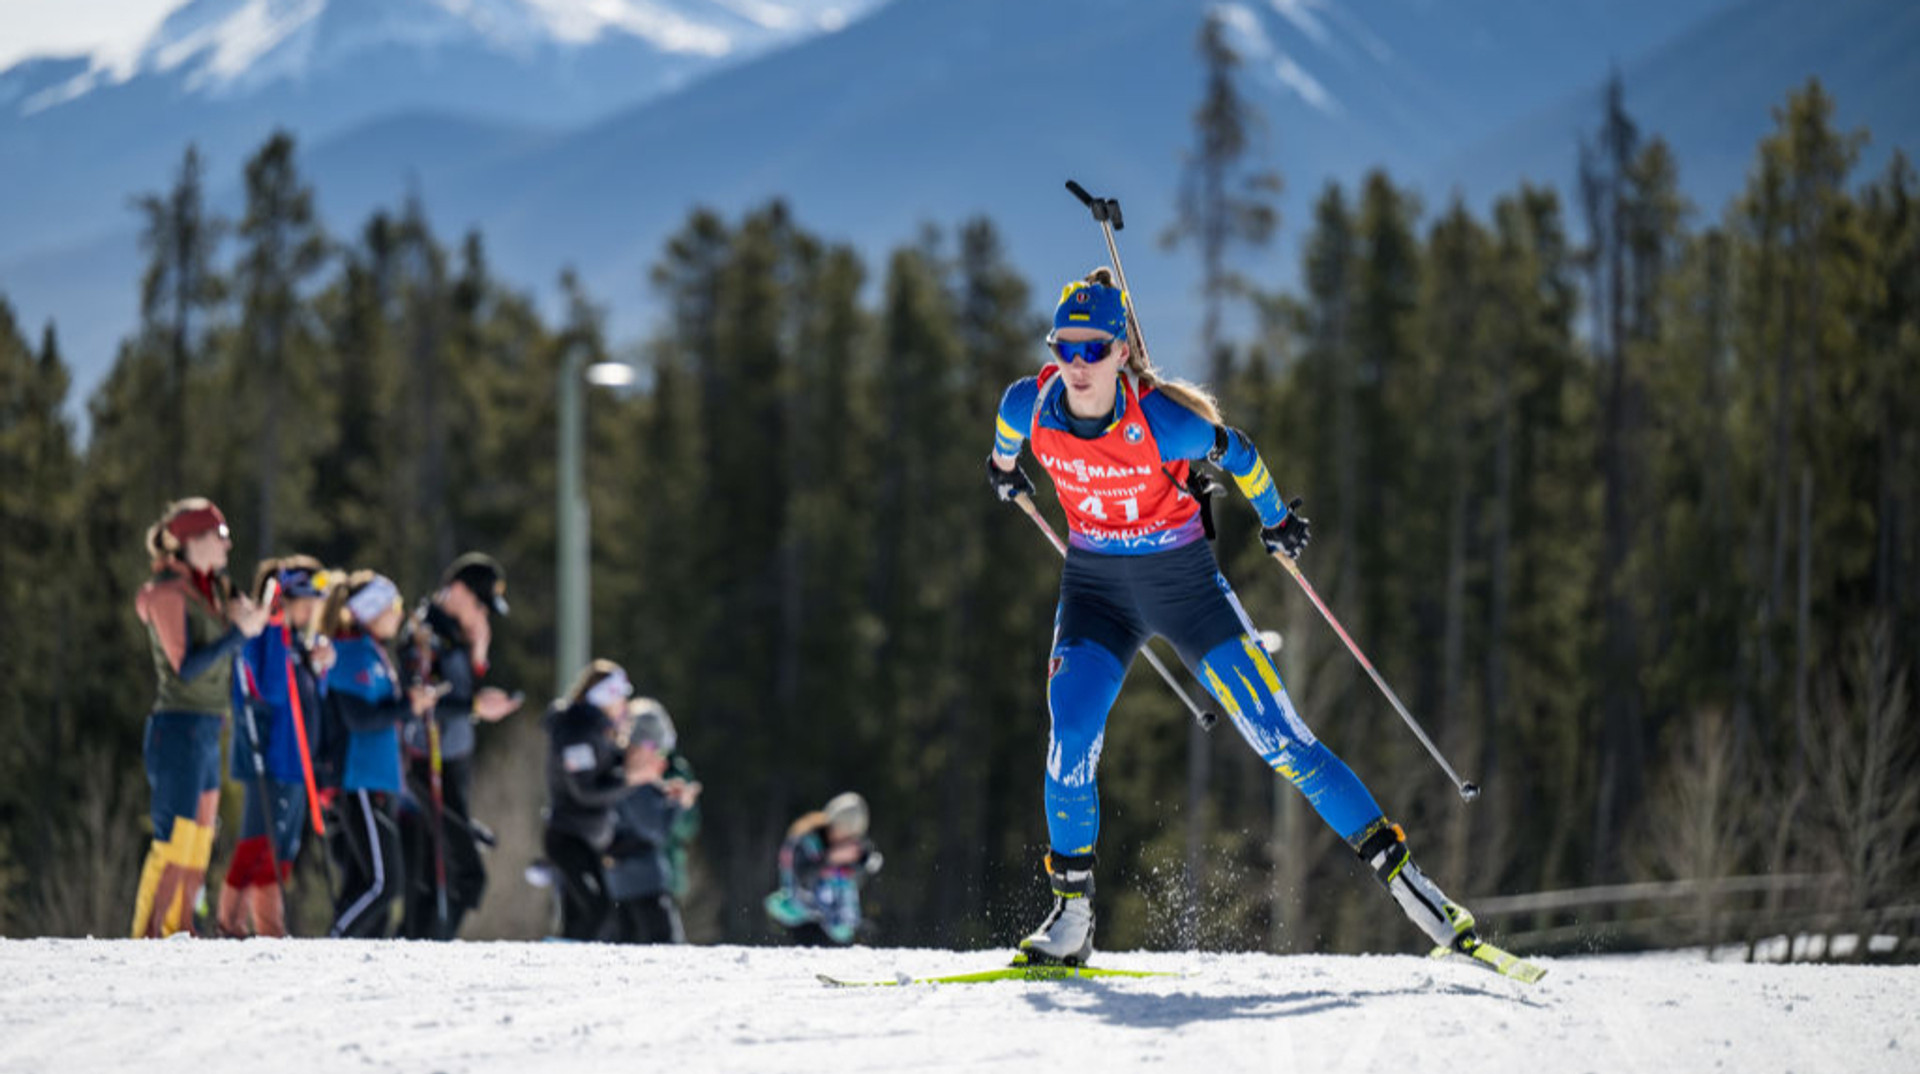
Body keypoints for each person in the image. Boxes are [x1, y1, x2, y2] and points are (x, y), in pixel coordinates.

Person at [986, 269, 1480, 965]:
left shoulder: (1163, 421)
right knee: (1069, 736)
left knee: (1283, 740)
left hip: (1187, 593)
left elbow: (1240, 452)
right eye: (1065, 348)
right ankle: (1071, 918)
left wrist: (1278, 522)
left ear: (1121, 351)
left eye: (1094, 349)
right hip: (1096, 594)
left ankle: (1410, 884)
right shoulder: (1032, 405)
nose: (1077, 364)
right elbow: (1005, 438)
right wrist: (1005, 470)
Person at [131, 498, 270, 938]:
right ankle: (148, 937)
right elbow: (185, 667)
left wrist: (248, 621)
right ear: (194, 540)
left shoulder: (211, 588)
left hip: (208, 728)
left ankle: (180, 928)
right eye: (221, 536)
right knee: (173, 840)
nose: (228, 547)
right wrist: (237, 634)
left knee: (200, 839)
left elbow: (235, 639)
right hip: (178, 728)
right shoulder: (167, 593)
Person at [396, 552, 523, 939]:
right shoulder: (425, 632)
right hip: (426, 762)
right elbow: (424, 698)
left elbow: (463, 685)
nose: (483, 615)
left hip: (455, 758)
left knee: (436, 876)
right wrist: (473, 707)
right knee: (465, 874)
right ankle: (432, 949)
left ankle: (414, 950)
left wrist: (479, 653)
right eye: (481, 604)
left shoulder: (458, 633)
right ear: (459, 592)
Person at [218, 557, 331, 938]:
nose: (312, 609)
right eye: (306, 600)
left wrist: (319, 667)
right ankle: (233, 923)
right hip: (269, 756)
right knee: (257, 842)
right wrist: (280, 634)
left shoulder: (299, 642)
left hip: (297, 761)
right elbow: (268, 688)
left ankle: (268, 928)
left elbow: (314, 700)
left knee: (283, 847)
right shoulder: (267, 633)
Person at [322, 571, 437, 938]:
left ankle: (348, 957)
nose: (399, 616)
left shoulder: (372, 652)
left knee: (362, 881)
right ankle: (332, 943)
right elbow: (360, 718)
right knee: (383, 884)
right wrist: (407, 706)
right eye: (394, 607)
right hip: (360, 778)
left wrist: (411, 699)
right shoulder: (350, 652)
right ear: (371, 610)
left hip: (381, 779)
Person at [541, 659, 635, 941]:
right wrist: (630, 779)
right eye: (620, 697)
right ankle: (551, 965)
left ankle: (562, 971)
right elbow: (585, 790)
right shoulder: (577, 731)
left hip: (585, 838)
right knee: (598, 909)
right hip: (568, 836)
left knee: (582, 918)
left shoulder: (596, 730)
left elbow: (606, 773)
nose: (624, 705)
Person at [605, 698, 701, 944]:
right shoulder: (632, 778)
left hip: (624, 880)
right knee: (664, 952)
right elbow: (654, 828)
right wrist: (678, 805)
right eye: (656, 750)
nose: (661, 761)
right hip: (642, 881)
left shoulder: (616, 771)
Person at [764, 792, 882, 946]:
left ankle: (849, 927)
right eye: (843, 834)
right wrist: (830, 859)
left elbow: (863, 871)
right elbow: (802, 876)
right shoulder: (805, 842)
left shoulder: (854, 846)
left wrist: (862, 863)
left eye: (851, 837)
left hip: (832, 916)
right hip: (800, 906)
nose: (845, 840)